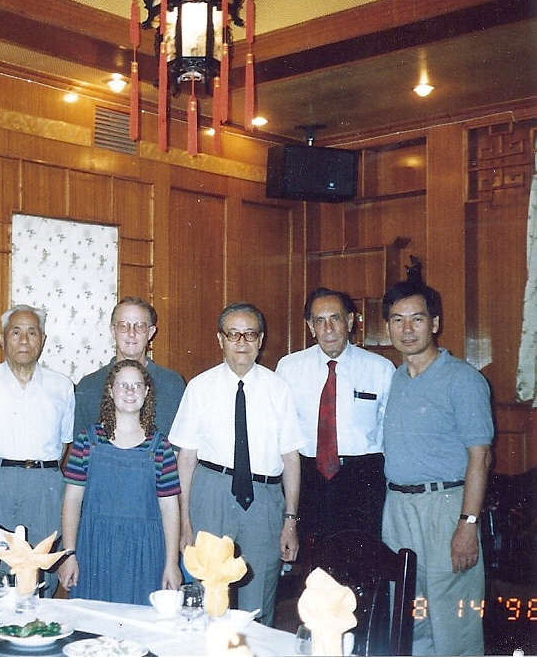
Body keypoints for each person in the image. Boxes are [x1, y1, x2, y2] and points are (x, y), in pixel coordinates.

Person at [170, 303, 304, 626]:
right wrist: (185, 523)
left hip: (264, 501)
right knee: (208, 595)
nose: (242, 342)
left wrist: (290, 521)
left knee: (258, 603)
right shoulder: (199, 388)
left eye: (250, 334)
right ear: (221, 339)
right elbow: (185, 459)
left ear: (261, 340)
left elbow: (290, 459)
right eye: (233, 334)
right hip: (211, 494)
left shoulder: (279, 390)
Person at [380, 280, 492, 656]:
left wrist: (468, 525)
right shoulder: (397, 378)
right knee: (409, 611)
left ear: (435, 323)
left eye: (417, 318)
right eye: (397, 320)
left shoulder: (463, 379)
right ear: (388, 326)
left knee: (453, 618)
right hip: (398, 509)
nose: (407, 329)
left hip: (445, 507)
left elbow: (480, 457)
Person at [0, 304, 75, 594]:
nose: (24, 340)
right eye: (16, 332)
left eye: (32, 332)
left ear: (43, 340)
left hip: (44, 485)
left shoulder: (62, 387)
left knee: (40, 573)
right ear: (2, 338)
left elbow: (64, 444)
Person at [276, 287, 394, 543]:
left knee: (362, 557)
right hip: (308, 478)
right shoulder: (289, 368)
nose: (328, 328)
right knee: (310, 558)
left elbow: (390, 434)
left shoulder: (381, 369)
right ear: (311, 326)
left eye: (335, 318)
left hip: (362, 479)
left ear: (350, 321)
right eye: (320, 321)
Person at [58, 359, 182, 604]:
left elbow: (170, 508)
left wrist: (171, 563)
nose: (130, 391)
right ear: (110, 391)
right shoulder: (87, 440)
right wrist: (69, 554)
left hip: (145, 553)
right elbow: (71, 500)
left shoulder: (160, 446)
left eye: (137, 385)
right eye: (123, 385)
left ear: (146, 393)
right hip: (94, 550)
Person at [74, 297, 186, 439]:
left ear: (151, 332)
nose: (131, 333)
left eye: (140, 326)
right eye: (123, 326)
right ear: (113, 331)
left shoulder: (173, 384)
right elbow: (80, 446)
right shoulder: (89, 386)